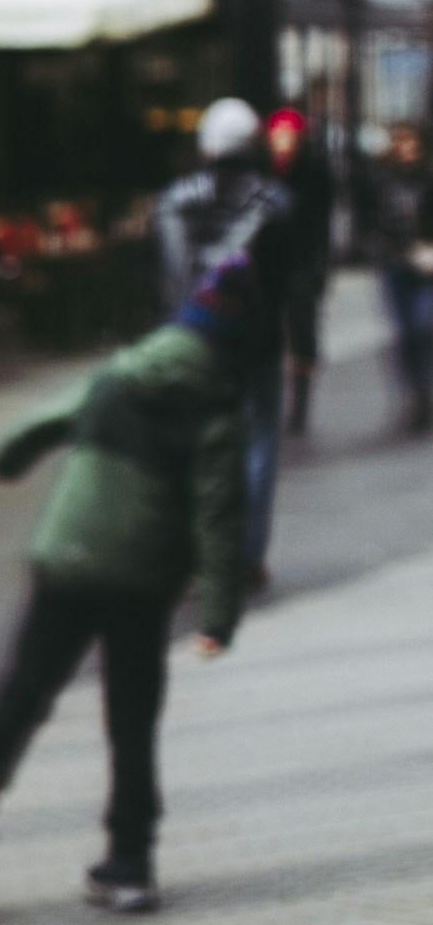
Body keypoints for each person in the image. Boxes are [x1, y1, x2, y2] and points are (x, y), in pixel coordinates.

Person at [0, 247, 255, 916]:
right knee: (131, 715)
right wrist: (218, 616)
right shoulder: (218, 407)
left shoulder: (121, 372)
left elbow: (43, 420)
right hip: (142, 573)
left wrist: (6, 460)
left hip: (67, 548)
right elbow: (220, 520)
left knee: (27, 685)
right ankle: (128, 862)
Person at [152, 96, 284, 584]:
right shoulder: (273, 202)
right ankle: (245, 555)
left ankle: (202, 552)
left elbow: (169, 279)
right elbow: (287, 281)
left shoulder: (175, 199)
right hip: (256, 342)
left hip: (194, 341)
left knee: (198, 448)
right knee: (258, 446)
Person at [263, 105, 335, 436]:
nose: (282, 142)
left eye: (288, 135)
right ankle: (273, 400)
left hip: (302, 263)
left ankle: (300, 404)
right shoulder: (263, 172)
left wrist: (322, 267)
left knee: (302, 334)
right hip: (269, 267)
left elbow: (321, 225)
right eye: (277, 135)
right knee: (270, 335)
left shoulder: (314, 172)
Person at [367, 121, 433, 433]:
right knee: (404, 332)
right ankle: (415, 392)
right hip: (395, 264)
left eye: (412, 141)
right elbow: (370, 221)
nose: (407, 148)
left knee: (424, 324)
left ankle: (424, 388)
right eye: (401, 142)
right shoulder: (382, 182)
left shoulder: (428, 179)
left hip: (428, 265)